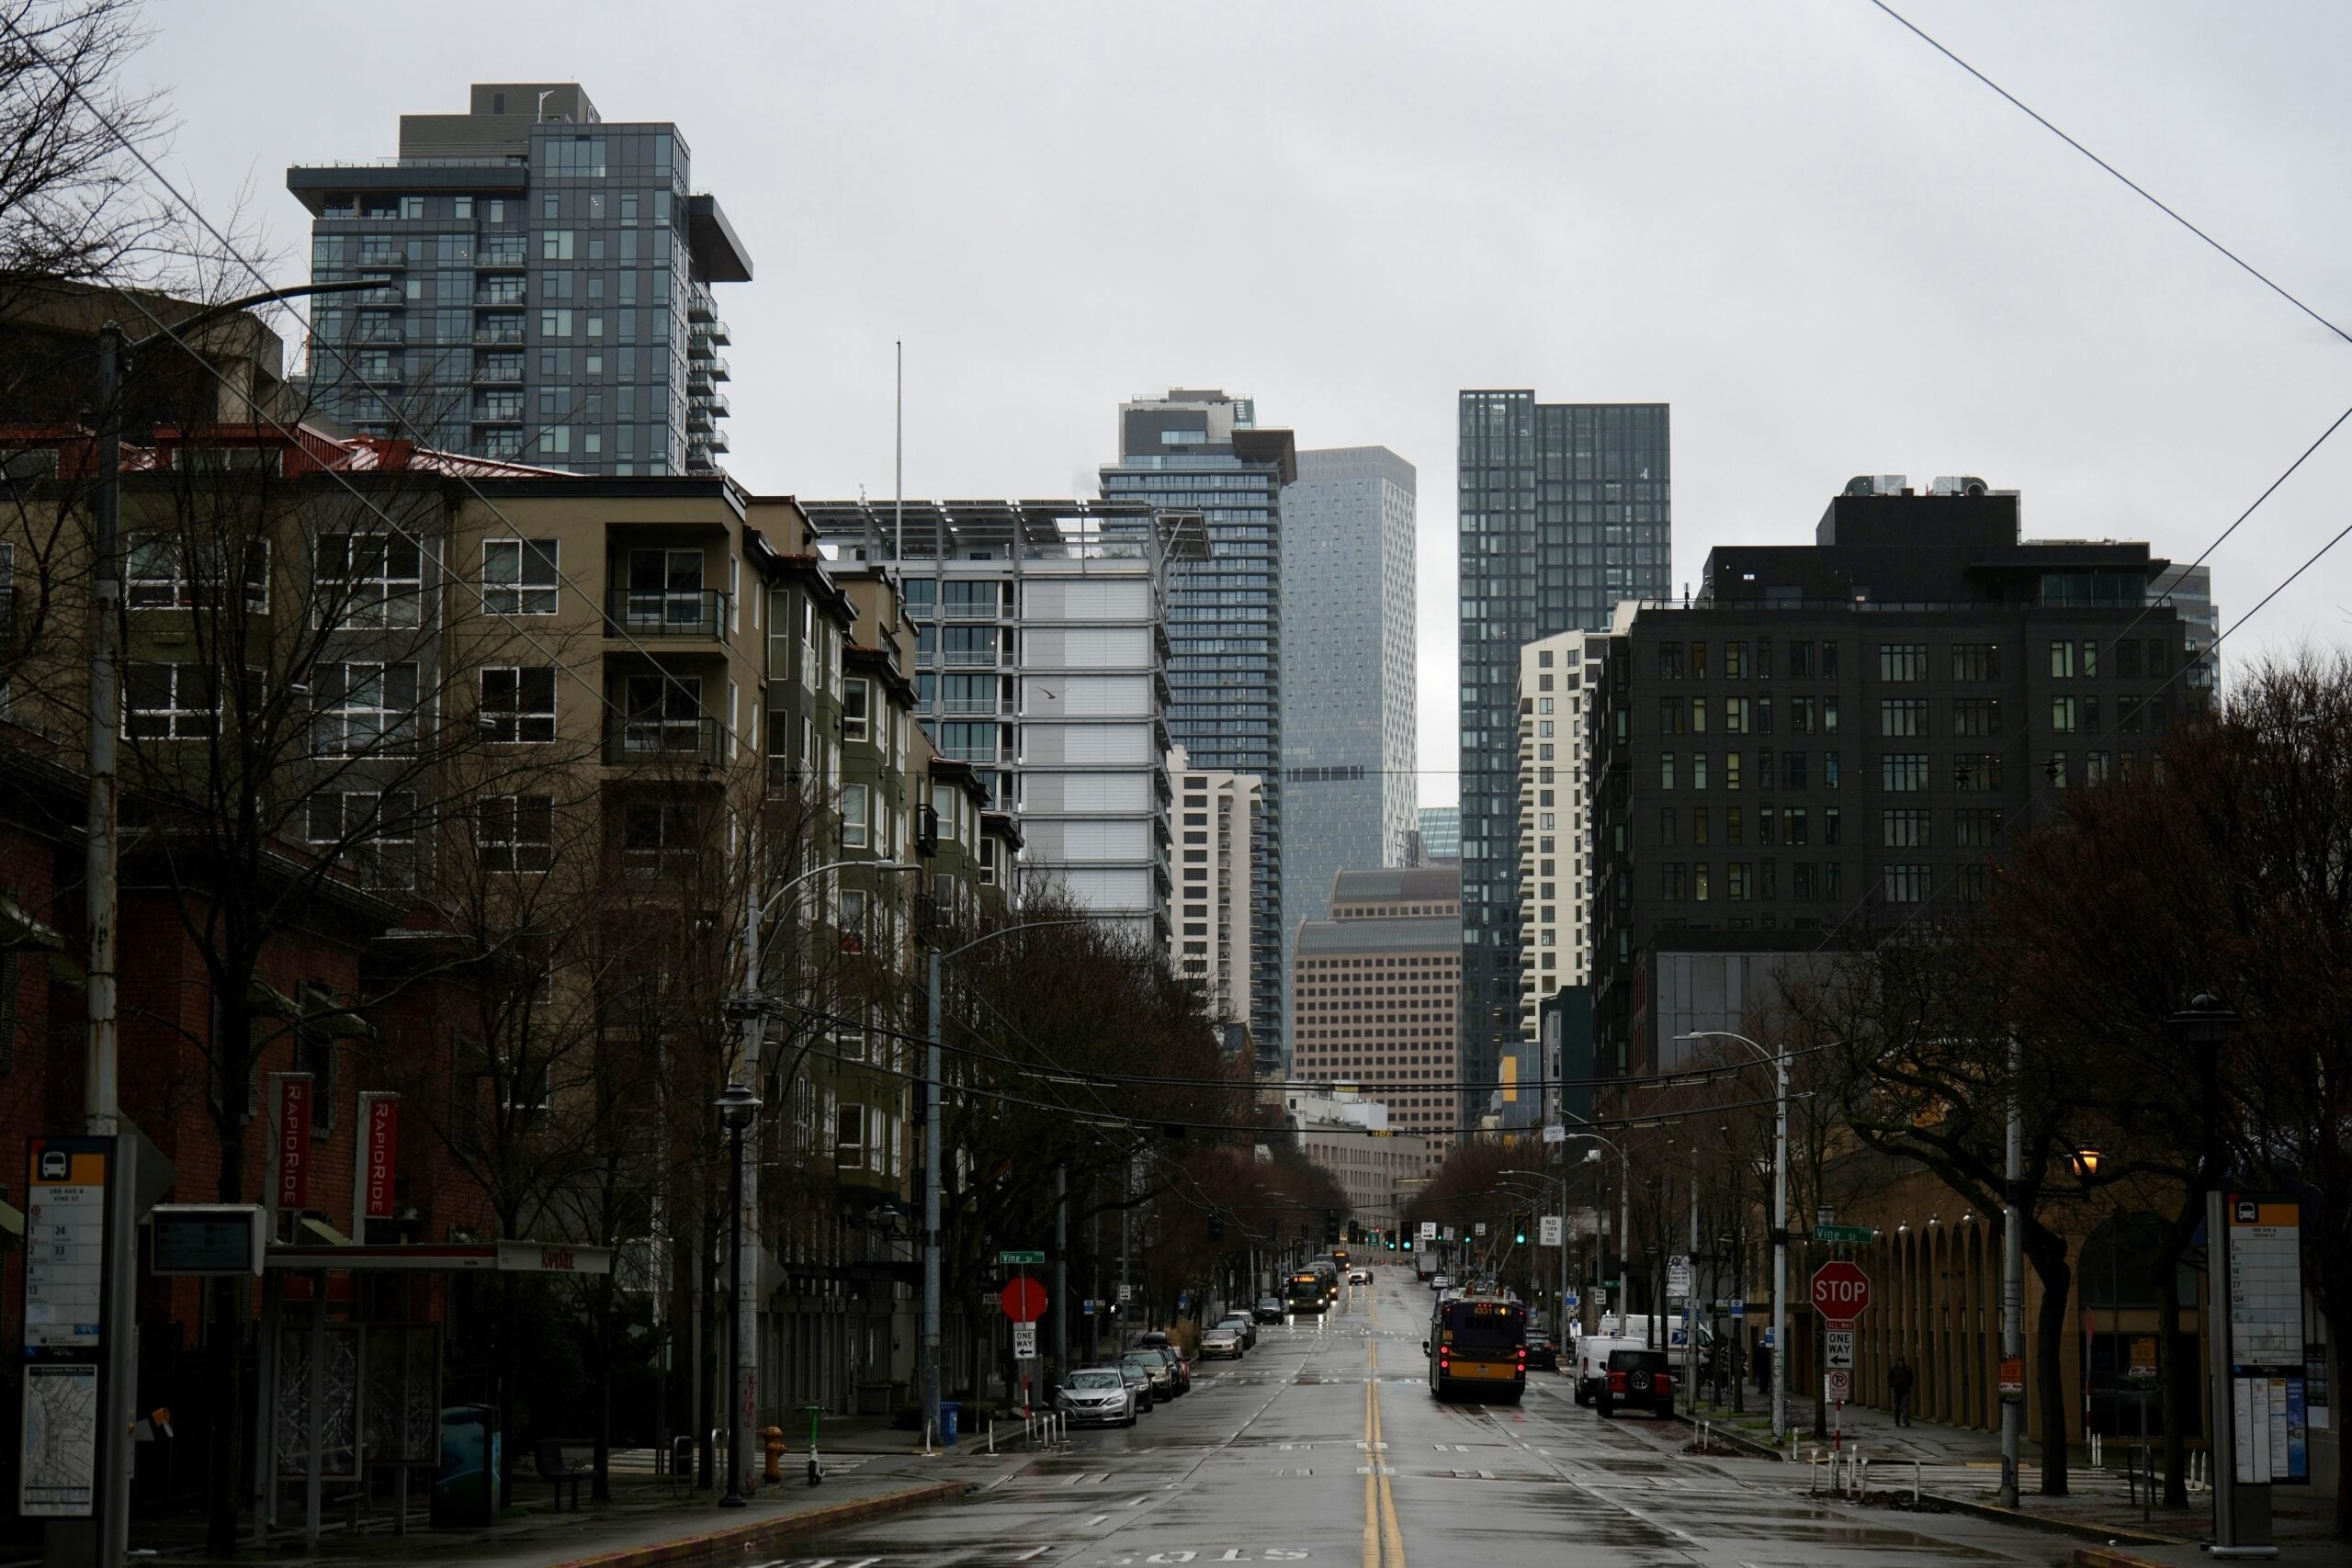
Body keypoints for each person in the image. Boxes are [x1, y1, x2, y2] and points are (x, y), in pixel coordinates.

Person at [1890, 1355, 1917, 1427]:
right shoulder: (1893, 1369)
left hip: (1905, 1389)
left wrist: (1909, 1384)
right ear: (1897, 1362)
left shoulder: (1907, 1369)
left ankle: (1905, 1419)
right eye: (1899, 1361)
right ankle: (1897, 1419)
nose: (1901, 1363)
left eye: (1902, 1361)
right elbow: (1890, 1378)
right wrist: (1893, 1385)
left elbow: (1911, 1377)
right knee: (1897, 1406)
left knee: (1905, 1405)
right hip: (1897, 1390)